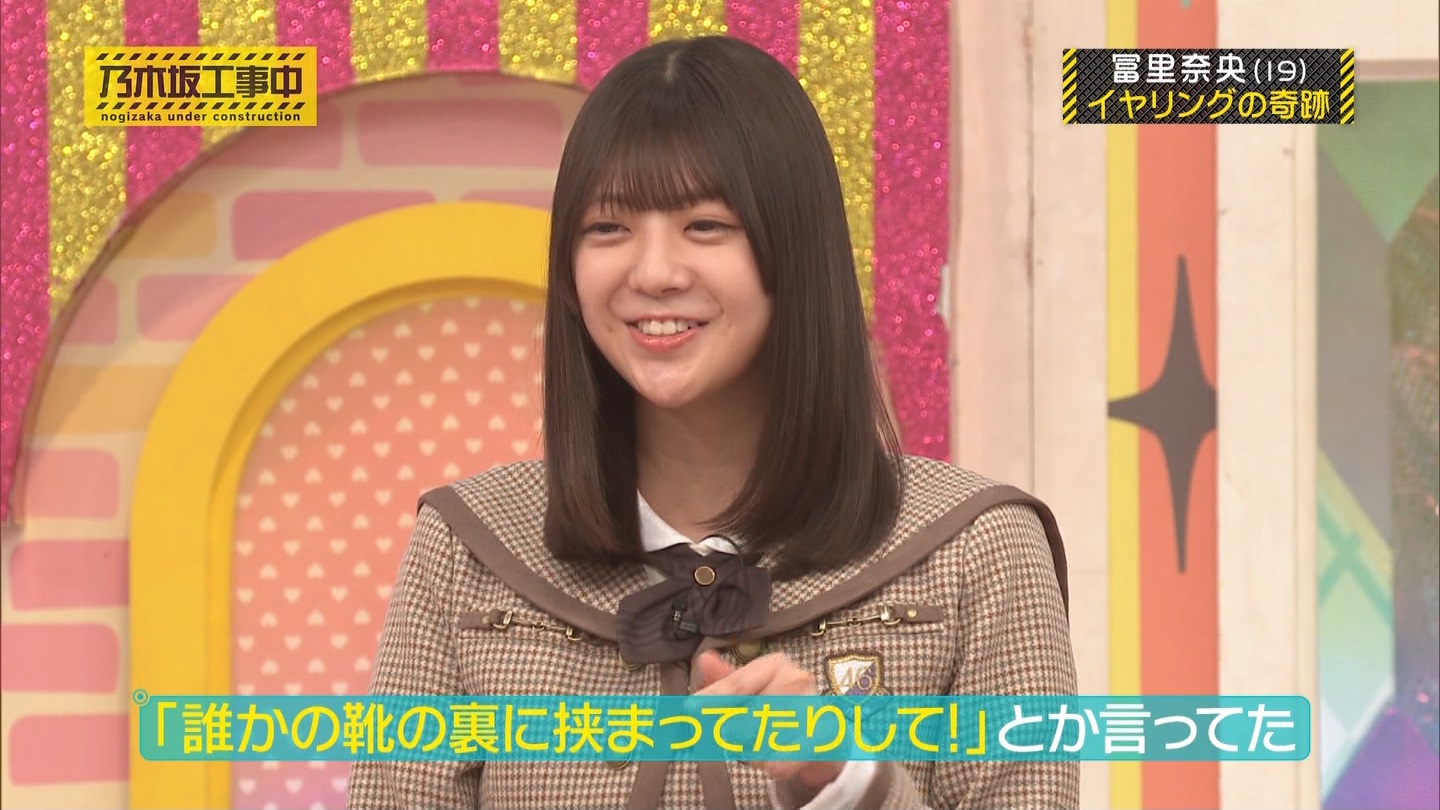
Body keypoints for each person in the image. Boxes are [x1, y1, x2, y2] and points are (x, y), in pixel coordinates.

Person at [347, 34, 1077, 810]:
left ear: (793, 253)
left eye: (705, 225)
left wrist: (848, 782)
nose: (654, 272)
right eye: (608, 228)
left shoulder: (975, 550)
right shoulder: (467, 547)